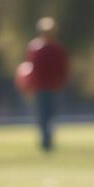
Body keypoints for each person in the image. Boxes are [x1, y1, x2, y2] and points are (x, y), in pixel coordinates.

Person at [23, 17, 69, 151]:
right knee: (45, 115)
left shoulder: (55, 48)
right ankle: (46, 140)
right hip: (44, 87)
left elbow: (62, 68)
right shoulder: (38, 47)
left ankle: (46, 140)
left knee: (48, 115)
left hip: (50, 87)